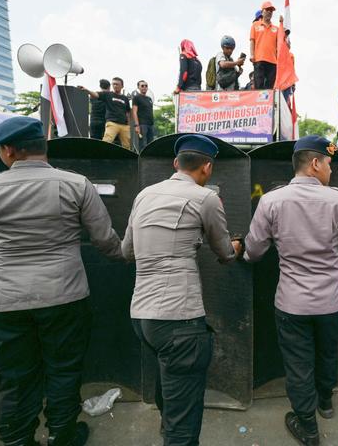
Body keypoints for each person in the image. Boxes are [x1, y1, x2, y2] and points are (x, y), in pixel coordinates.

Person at [0, 116, 123, 446]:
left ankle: (17, 439)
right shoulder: (76, 184)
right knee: (64, 370)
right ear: (42, 147)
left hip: (5, 300)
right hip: (64, 295)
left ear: (8, 150)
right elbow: (104, 239)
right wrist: (130, 255)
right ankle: (62, 435)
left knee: (15, 376)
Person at [122, 134, 242, 446]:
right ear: (207, 167)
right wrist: (237, 245)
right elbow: (226, 254)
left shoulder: (144, 195)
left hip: (143, 319)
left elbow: (127, 251)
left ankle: (168, 425)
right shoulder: (206, 198)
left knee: (169, 387)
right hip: (180, 322)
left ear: (176, 163)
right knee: (184, 423)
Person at [244, 135, 338, 446]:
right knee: (327, 353)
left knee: (298, 363)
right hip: (332, 301)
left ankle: (307, 425)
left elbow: (253, 251)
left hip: (292, 303)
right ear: (314, 164)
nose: (331, 171)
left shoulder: (271, 201)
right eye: (329, 164)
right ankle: (325, 402)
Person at [79, 77, 132, 149]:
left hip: (124, 125)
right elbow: (96, 94)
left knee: (126, 145)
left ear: (122, 86)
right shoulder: (108, 94)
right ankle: (101, 155)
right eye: (113, 84)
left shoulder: (125, 98)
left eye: (117, 84)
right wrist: (87, 90)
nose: (115, 86)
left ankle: (127, 159)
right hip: (112, 123)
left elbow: (128, 112)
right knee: (107, 141)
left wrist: (128, 125)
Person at [250, 1, 279, 89]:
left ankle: (267, 102)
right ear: (262, 11)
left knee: (270, 86)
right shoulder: (255, 25)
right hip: (259, 59)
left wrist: (282, 23)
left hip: (273, 61)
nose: (270, 12)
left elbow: (280, 45)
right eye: (268, 10)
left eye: (271, 10)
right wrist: (252, 55)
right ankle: (258, 102)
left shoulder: (276, 29)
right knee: (259, 85)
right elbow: (252, 41)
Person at [131, 80, 155, 151]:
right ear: (138, 87)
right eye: (142, 86)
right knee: (143, 144)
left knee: (150, 144)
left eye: (146, 86)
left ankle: (149, 159)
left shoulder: (149, 99)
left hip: (150, 124)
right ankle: (141, 160)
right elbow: (134, 112)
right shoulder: (136, 98)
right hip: (142, 124)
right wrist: (137, 125)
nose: (144, 87)